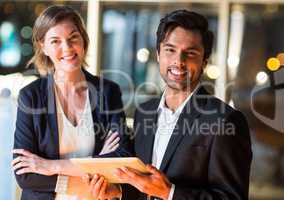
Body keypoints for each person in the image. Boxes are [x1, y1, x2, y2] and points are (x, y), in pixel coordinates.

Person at [90, 9, 252, 200]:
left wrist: (170, 193)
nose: (178, 61)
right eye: (170, 50)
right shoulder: (144, 111)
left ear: (204, 61)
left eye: (190, 53)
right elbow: (144, 186)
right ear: (158, 54)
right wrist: (118, 192)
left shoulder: (225, 120)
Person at [12, 5, 131, 200]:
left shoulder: (108, 92)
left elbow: (122, 157)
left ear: (83, 39)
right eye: (55, 41)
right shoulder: (31, 97)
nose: (67, 47)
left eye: (73, 37)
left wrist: (50, 166)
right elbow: (25, 175)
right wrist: (97, 163)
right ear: (43, 46)